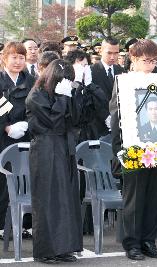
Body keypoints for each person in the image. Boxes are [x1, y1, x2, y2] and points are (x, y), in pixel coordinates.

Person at [109, 39, 157, 261]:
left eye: (154, 61)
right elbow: (116, 117)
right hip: (132, 147)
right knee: (134, 197)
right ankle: (132, 243)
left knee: (155, 196)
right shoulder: (123, 81)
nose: (150, 65)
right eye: (146, 61)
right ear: (133, 59)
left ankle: (148, 241)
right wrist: (118, 149)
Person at [26, 59, 84, 263]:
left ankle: (64, 247)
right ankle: (45, 250)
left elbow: (75, 119)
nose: (65, 84)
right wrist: (61, 98)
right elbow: (51, 120)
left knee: (66, 199)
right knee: (47, 200)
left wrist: (75, 94)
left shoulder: (62, 93)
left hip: (64, 147)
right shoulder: (36, 95)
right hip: (45, 149)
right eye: (62, 80)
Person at [0, 42, 35, 239]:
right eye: (14, 57)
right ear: (5, 57)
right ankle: (2, 224)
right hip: (3, 137)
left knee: (25, 178)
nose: (18, 61)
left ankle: (24, 224)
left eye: (21, 57)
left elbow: (36, 104)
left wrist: (27, 124)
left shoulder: (31, 80)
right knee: (4, 182)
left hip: (25, 136)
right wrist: (6, 126)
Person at [65, 49, 108, 141]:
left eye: (85, 66)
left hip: (90, 133)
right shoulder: (64, 86)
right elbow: (74, 112)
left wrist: (89, 85)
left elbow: (101, 103)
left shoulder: (89, 86)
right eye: (80, 66)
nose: (83, 69)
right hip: (72, 134)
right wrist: (77, 83)